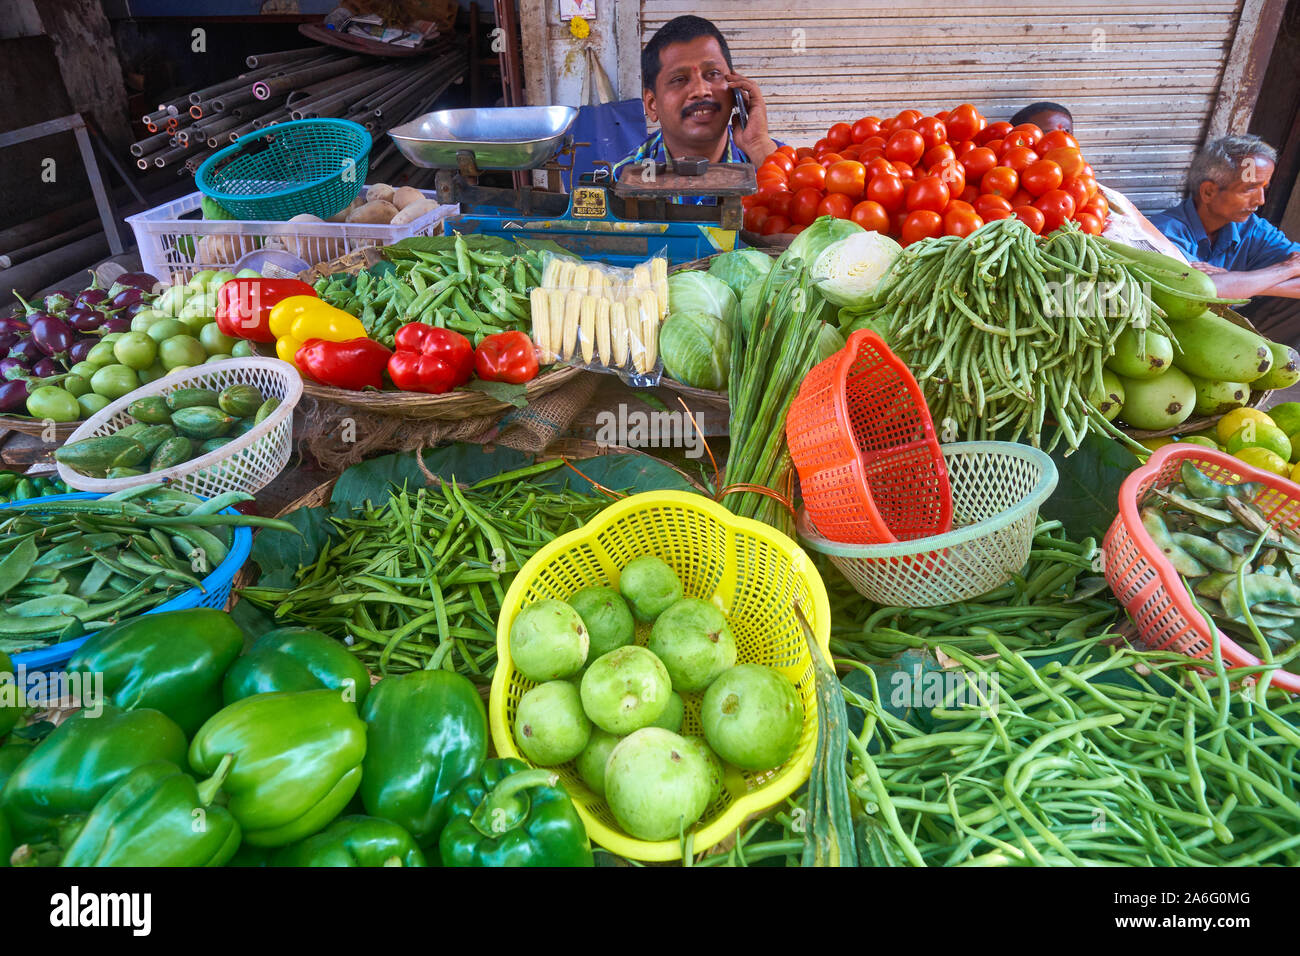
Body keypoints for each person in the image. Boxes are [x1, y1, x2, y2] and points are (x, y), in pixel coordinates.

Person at [609, 15, 778, 202]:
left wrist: (757, 146)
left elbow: (812, 225)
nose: (700, 91)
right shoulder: (621, 181)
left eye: (713, 73)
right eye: (679, 79)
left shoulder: (776, 160)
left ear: (736, 88)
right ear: (651, 104)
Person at [1149, 135, 1300, 342]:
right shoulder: (1165, 231)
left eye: (1263, 188)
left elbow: (1217, 289)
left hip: (1237, 326)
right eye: (1249, 189)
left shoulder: (1253, 228)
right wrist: (1287, 269)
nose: (1260, 200)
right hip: (1184, 337)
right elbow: (1205, 292)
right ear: (1209, 192)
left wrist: (1233, 280)